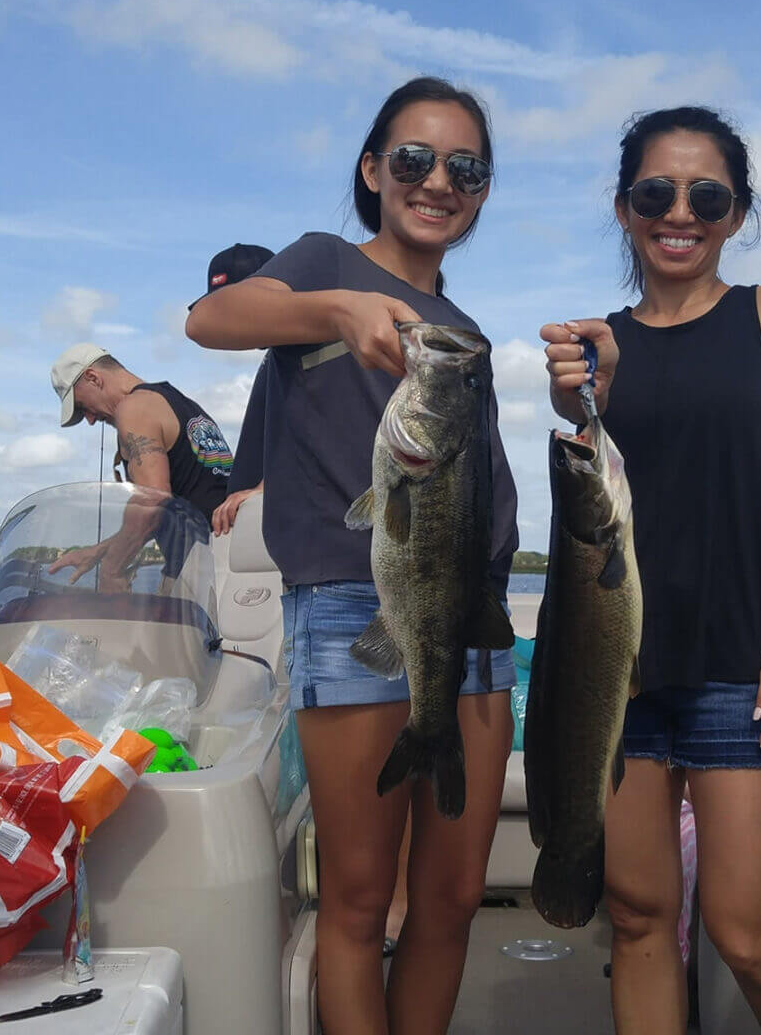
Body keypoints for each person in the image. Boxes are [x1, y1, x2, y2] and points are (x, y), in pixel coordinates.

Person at [186, 76, 517, 1035]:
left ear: (483, 191)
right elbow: (207, 322)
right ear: (373, 170)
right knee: (359, 902)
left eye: (467, 168)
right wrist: (333, 311)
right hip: (345, 603)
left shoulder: (468, 334)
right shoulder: (323, 263)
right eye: (413, 159)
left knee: (451, 900)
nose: (438, 181)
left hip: (477, 617)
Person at [541, 106, 761, 1034]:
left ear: (737, 210)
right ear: (626, 207)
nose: (681, 211)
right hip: (616, 673)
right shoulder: (600, 345)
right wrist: (588, 399)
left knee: (747, 935)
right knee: (636, 922)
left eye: (706, 194)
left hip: (742, 664)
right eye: (655, 192)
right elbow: (601, 498)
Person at [46, 346, 232, 589]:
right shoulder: (177, 402)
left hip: (202, 573)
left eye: (82, 407)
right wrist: (98, 552)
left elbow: (152, 503)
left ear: (93, 378)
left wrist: (111, 570)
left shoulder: (134, 409)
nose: (90, 420)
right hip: (228, 562)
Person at [188, 243, 277, 537]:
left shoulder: (304, 354)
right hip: (249, 532)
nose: (224, 321)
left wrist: (265, 489)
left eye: (230, 307)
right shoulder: (275, 359)